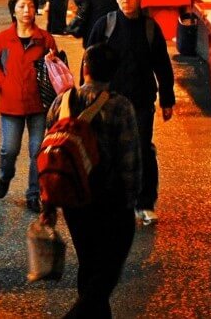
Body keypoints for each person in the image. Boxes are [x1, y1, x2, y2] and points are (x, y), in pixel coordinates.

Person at [40, 44, 140, 319]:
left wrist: (48, 202)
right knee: (105, 272)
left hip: (73, 197)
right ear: (114, 72)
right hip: (109, 198)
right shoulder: (120, 106)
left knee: (89, 261)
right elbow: (129, 158)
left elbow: (49, 151)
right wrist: (130, 200)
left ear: (85, 68)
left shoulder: (62, 102)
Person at [85, 0, 174, 225]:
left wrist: (167, 98)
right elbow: (89, 60)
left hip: (141, 101)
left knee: (142, 149)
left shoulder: (150, 28)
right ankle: (111, 200)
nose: (126, 0)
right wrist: (87, 94)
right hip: (108, 102)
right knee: (107, 151)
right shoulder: (105, 25)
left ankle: (144, 203)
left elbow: (162, 64)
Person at [0, 0, 60, 212]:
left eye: (31, 6)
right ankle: (5, 176)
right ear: (13, 11)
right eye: (22, 6)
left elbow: (56, 68)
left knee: (37, 150)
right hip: (11, 104)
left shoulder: (45, 39)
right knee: (10, 149)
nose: (27, 10)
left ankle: (33, 194)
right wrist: (2, 83)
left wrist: (53, 60)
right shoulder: (3, 39)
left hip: (39, 104)